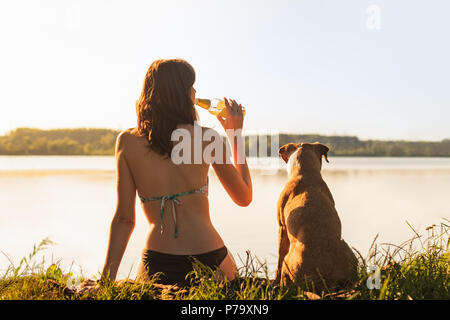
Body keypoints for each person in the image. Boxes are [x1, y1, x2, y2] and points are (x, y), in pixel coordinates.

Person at [100, 58, 252, 286]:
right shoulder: (208, 138)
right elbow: (244, 197)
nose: (195, 92)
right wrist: (235, 135)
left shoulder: (127, 142)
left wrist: (106, 281)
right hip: (209, 256)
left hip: (157, 261)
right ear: (182, 92)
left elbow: (124, 219)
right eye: (191, 86)